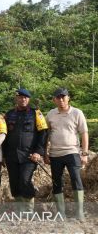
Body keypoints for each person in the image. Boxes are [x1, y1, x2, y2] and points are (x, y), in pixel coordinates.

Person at [45, 88, 88, 221]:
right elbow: (46, 135)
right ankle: (61, 213)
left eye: (63, 97)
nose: (61, 99)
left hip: (72, 152)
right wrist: (45, 152)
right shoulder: (50, 114)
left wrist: (85, 153)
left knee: (76, 179)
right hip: (54, 154)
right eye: (58, 97)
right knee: (57, 182)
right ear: (54, 100)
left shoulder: (77, 112)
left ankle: (79, 212)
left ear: (68, 98)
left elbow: (84, 133)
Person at [3, 88, 48, 212]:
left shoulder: (36, 113)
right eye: (20, 97)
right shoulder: (9, 114)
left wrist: (38, 152)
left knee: (25, 179)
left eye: (25, 97)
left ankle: (28, 210)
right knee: (14, 181)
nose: (22, 99)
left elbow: (43, 133)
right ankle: (19, 210)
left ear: (28, 99)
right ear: (16, 98)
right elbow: (3, 135)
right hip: (11, 155)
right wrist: (3, 155)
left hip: (29, 155)